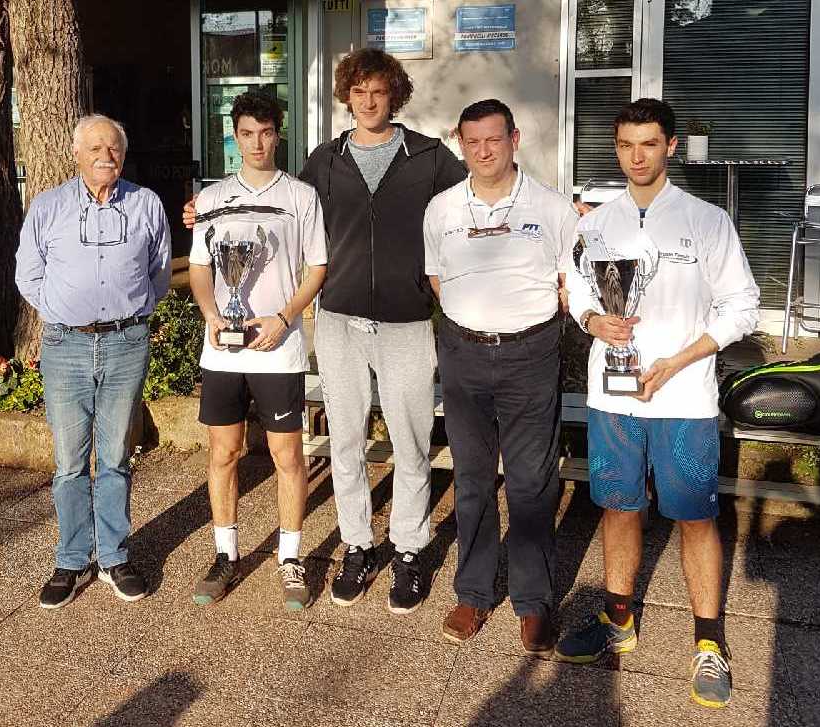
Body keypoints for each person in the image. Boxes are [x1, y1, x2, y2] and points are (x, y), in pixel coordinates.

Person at [186, 49, 465, 615]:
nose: (368, 102)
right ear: (347, 97)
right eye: (358, 92)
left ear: (394, 95)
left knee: (411, 442)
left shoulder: (430, 157)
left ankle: (410, 549)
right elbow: (269, 208)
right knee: (345, 442)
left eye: (378, 92)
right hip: (338, 321)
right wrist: (201, 210)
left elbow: (477, 199)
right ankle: (357, 544)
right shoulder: (325, 161)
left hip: (406, 320)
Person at [557, 98, 760, 709]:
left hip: (684, 397)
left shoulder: (706, 221)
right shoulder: (594, 226)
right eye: (625, 145)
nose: (636, 156)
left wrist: (679, 359)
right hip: (613, 396)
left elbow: (743, 306)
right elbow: (575, 293)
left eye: (648, 144)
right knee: (618, 508)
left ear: (671, 147)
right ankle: (619, 621)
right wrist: (594, 319)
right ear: (615, 148)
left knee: (694, 516)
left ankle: (709, 643)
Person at [423, 99, 576, 653]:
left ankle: (534, 603)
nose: (483, 151)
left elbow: (569, 281)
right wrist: (475, 324)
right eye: (472, 141)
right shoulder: (441, 208)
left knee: (533, 483)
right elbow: (438, 278)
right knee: (471, 478)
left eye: (493, 139)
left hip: (531, 354)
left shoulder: (554, 208)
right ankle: (474, 592)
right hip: (463, 353)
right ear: (460, 143)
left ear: (516, 138)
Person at [15, 114, 172, 609]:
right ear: (77, 155)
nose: (107, 155)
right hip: (66, 346)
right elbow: (28, 274)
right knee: (67, 462)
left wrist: (132, 311)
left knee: (115, 457)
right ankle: (70, 558)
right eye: (96, 148)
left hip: (127, 343)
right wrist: (63, 310)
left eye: (115, 148)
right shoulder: (48, 207)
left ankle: (113, 556)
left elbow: (160, 273)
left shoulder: (145, 204)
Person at [187, 92, 327, 610]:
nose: (257, 143)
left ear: (278, 134)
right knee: (224, 452)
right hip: (223, 351)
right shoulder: (210, 199)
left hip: (279, 347)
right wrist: (209, 314)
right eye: (247, 133)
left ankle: (291, 559)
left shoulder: (301, 196)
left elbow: (317, 266)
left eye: (266, 133)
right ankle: (226, 554)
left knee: (287, 455)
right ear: (234, 135)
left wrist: (285, 317)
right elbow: (201, 267)